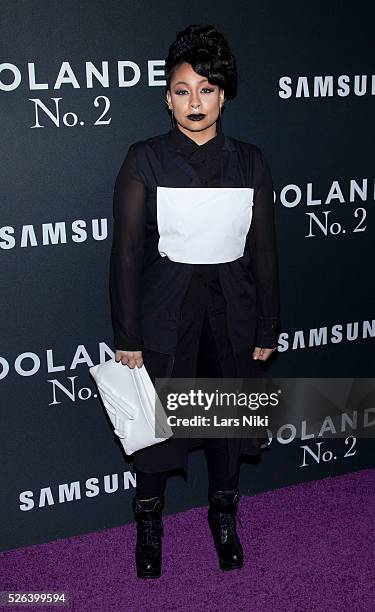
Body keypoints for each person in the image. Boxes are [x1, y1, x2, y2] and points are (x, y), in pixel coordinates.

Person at [109, 23, 281, 579]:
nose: (195, 102)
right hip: (165, 318)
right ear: (167, 98)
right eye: (183, 91)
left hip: (230, 316)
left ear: (223, 95)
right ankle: (150, 527)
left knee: (228, 433)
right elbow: (127, 256)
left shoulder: (251, 161)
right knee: (158, 438)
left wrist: (267, 326)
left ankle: (224, 521)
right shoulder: (145, 159)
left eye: (206, 90)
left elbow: (265, 254)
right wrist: (128, 336)